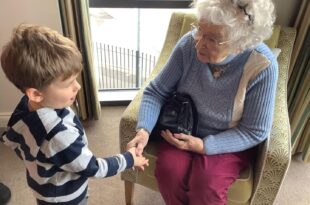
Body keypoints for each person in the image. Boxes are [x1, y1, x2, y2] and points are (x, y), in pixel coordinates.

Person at [127, 0, 278, 204]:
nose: (198, 42)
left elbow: (255, 130)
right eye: (199, 29)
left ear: (240, 44)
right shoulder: (188, 45)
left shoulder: (262, 66)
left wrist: (205, 146)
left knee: (207, 185)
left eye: (213, 39)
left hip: (229, 138)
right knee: (169, 172)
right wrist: (143, 130)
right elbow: (156, 91)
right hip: (184, 126)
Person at [0, 24, 148, 205]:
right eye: (68, 83)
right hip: (64, 197)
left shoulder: (25, 106)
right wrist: (128, 159)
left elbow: (15, 140)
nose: (77, 87)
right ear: (36, 94)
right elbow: (92, 168)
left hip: (43, 188)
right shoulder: (58, 136)